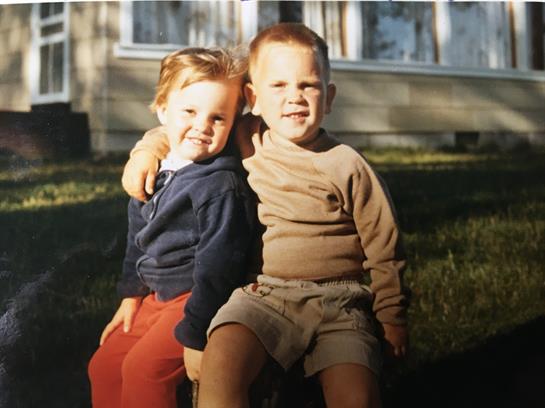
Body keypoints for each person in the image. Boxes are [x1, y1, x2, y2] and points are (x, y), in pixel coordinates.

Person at [122, 23, 410, 408]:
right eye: (279, 86)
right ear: (253, 97)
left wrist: (392, 318)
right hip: (264, 293)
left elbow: (384, 245)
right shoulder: (246, 136)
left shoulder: (347, 164)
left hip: (340, 298)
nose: (295, 97)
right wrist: (145, 151)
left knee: (355, 394)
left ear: (329, 97)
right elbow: (184, 128)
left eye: (309, 85)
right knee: (221, 363)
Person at [87, 47, 256, 408]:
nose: (202, 126)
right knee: (104, 367)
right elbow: (138, 238)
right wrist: (131, 294)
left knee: (143, 370)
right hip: (156, 296)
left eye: (219, 118)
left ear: (234, 121)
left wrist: (196, 332)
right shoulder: (156, 168)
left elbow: (219, 267)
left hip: (197, 299)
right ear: (162, 110)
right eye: (190, 112)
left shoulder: (220, 184)